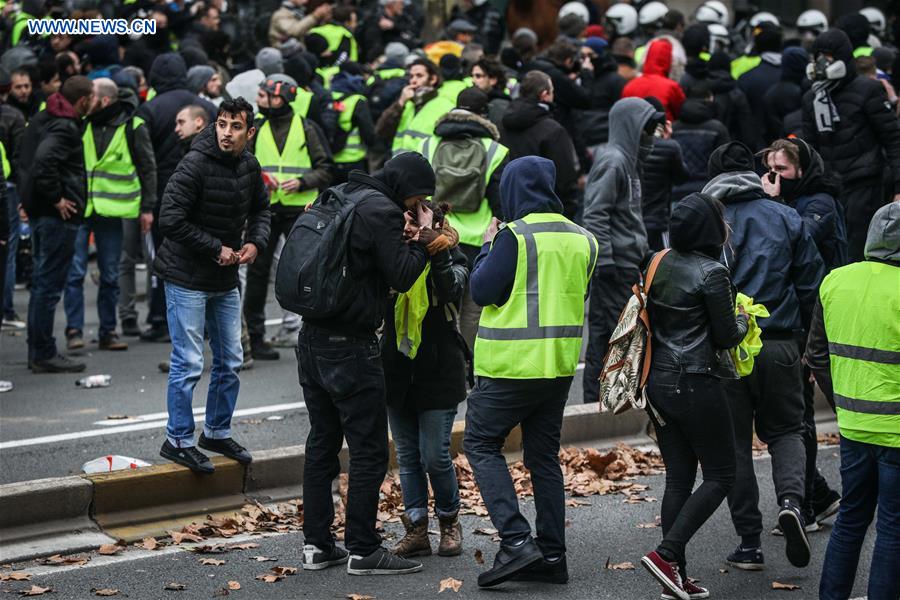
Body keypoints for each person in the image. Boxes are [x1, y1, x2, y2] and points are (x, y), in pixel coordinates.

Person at [296, 152, 436, 576]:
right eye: (418, 198)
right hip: (351, 346)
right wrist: (425, 239)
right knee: (369, 450)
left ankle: (317, 545)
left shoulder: (340, 194)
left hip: (311, 337)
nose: (417, 206)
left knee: (322, 442)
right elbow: (402, 275)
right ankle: (363, 548)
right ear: (405, 187)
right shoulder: (381, 210)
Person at [464, 156, 598, 588]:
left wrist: (487, 244)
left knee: (481, 444)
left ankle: (517, 540)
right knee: (543, 459)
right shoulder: (584, 239)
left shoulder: (514, 236)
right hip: (558, 367)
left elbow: (482, 290)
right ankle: (552, 556)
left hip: (510, 366)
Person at [701, 141, 825, 572]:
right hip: (781, 342)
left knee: (733, 444)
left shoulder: (708, 221)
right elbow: (812, 286)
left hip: (727, 348)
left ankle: (749, 542)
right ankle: (793, 502)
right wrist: (811, 348)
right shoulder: (787, 217)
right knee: (789, 429)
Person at [640, 193, 748, 600]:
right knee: (721, 474)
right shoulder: (713, 273)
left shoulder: (657, 260)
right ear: (710, 229)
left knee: (679, 478)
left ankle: (674, 578)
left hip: (658, 383)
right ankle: (667, 555)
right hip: (697, 382)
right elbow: (726, 336)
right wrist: (743, 316)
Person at [154, 97, 271, 474]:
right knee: (188, 362)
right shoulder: (195, 163)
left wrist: (255, 241)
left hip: (223, 277)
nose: (226, 133)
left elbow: (261, 209)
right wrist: (213, 248)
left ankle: (216, 432)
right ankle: (178, 440)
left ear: (248, 133)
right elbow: (169, 219)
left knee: (230, 360)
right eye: (221, 124)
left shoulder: (249, 165)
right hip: (186, 276)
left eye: (235, 127)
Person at [805, 202, 900, 600]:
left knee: (850, 519)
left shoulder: (835, 282)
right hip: (895, 431)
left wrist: (843, 402)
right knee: (893, 528)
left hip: (853, 426)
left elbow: (816, 354)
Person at [760, 138, 847, 532]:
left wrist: (772, 204)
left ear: (802, 169)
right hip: (798, 316)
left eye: (784, 170)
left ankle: (810, 504)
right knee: (789, 418)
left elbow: (795, 242)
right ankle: (821, 494)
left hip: (816, 320)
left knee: (800, 419)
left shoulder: (819, 203)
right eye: (771, 169)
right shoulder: (794, 204)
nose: (776, 177)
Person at [383, 200, 469, 560]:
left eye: (416, 216)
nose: (409, 224)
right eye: (405, 216)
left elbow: (452, 290)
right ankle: (416, 528)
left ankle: (449, 520)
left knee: (434, 455)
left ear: (437, 219)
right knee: (407, 456)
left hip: (439, 369)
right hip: (398, 370)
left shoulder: (454, 255)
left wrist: (434, 246)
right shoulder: (391, 254)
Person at [63, 78, 156, 352]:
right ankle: (74, 330)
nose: (85, 100)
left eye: (89, 96)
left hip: (113, 212)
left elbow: (148, 168)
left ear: (103, 100)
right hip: (82, 208)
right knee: (75, 271)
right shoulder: (82, 122)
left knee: (110, 273)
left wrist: (148, 208)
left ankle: (107, 331)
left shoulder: (133, 126)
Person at [582, 97, 664, 404]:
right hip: (613, 268)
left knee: (622, 337)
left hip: (626, 264)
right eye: (647, 129)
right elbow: (595, 213)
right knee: (611, 338)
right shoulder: (613, 161)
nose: (651, 137)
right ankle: (599, 403)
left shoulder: (628, 161)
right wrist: (604, 261)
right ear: (632, 127)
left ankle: (612, 401)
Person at [245, 74, 332, 361]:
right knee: (257, 273)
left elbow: (325, 168)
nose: (260, 100)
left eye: (265, 95)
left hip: (299, 211)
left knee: (304, 271)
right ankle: (256, 338)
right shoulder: (256, 128)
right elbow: (245, 164)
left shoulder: (307, 128)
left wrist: (303, 182)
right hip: (267, 209)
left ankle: (310, 332)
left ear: (280, 97)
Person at [137, 53, 217, 343]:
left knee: (165, 259)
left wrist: (146, 202)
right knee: (204, 254)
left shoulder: (147, 110)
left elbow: (141, 158)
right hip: (205, 194)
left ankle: (162, 319)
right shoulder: (207, 107)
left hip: (162, 195)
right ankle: (207, 322)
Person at [420, 87, 508, 352]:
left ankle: (445, 365)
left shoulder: (427, 144)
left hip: (439, 237)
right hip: (480, 240)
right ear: (484, 114)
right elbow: (500, 203)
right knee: (473, 309)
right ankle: (470, 363)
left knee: (440, 307)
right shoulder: (495, 150)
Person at [801, 28, 900, 262]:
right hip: (828, 188)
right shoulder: (811, 98)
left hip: (864, 184)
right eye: (818, 56)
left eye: (828, 55)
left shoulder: (868, 90)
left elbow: (893, 139)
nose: (823, 62)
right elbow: (810, 148)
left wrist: (898, 187)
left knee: (857, 251)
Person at [19, 75, 95, 373]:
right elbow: (43, 161)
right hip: (56, 217)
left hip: (40, 212)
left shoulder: (45, 116)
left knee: (42, 283)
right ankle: (43, 352)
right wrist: (57, 199)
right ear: (83, 100)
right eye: (92, 97)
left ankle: (38, 349)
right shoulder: (64, 126)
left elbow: (27, 159)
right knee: (48, 286)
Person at [499, 71, 579, 219]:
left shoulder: (502, 124)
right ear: (544, 95)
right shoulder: (553, 130)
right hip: (546, 214)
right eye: (552, 92)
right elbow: (565, 178)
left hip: (509, 205)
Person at [375, 58, 454, 158]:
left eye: (419, 76)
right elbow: (381, 132)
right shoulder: (407, 103)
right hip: (399, 166)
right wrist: (400, 103)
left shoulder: (446, 107)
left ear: (433, 79)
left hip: (426, 169)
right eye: (411, 76)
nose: (413, 81)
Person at [640, 98, 688, 251]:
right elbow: (682, 177)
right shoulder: (670, 147)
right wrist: (668, 140)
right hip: (658, 220)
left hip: (633, 221)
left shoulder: (631, 146)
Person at [671, 81, 730, 200]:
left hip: (677, 192)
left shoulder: (673, 128)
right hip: (709, 191)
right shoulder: (717, 128)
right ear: (709, 99)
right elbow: (725, 162)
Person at [330, 64, 376, 184]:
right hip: (354, 160)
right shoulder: (358, 100)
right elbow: (368, 134)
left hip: (330, 161)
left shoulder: (328, 96)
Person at [622, 37, 686, 121]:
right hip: (663, 131)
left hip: (635, 131)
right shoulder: (672, 87)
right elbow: (680, 111)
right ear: (668, 59)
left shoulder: (630, 85)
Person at [358, 0, 421, 65]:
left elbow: (413, 31)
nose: (402, 6)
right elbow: (372, 48)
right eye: (400, 3)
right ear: (390, 4)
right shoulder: (375, 20)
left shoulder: (403, 18)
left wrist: (393, 26)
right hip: (380, 60)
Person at [470, 56, 509, 127]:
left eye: (478, 76)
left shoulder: (498, 106)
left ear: (493, 80)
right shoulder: (479, 101)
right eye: (472, 76)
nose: (473, 80)